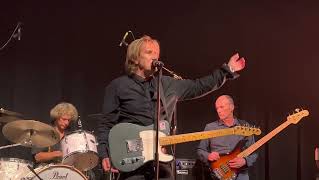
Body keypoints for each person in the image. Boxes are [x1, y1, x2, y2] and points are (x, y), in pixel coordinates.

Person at [97, 35, 246, 179]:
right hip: (132, 163)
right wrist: (104, 153)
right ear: (135, 58)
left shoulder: (167, 84)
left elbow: (199, 86)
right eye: (149, 52)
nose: (155, 57)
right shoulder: (117, 86)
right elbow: (106, 123)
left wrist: (228, 70)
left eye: (157, 53)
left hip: (162, 164)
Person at [197, 95, 258, 180]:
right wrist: (208, 156)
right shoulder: (210, 127)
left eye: (221, 107)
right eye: (217, 108)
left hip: (240, 174)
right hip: (218, 174)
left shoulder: (245, 127)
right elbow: (200, 150)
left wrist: (245, 161)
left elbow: (254, 152)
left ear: (231, 107)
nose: (219, 111)